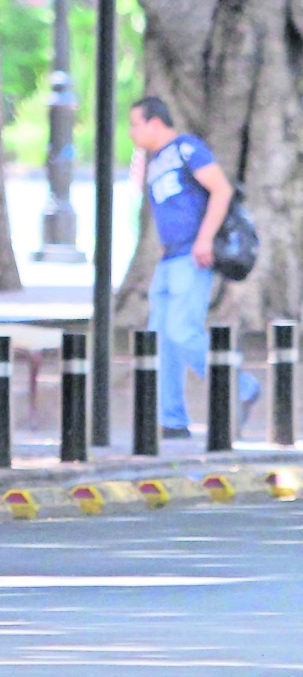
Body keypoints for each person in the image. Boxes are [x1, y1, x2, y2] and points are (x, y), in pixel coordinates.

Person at [128, 95, 260, 439]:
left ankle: (242, 386)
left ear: (155, 122)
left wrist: (205, 238)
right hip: (169, 259)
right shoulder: (154, 161)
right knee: (160, 338)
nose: (131, 133)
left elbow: (221, 189)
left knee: (183, 331)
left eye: (135, 124)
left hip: (192, 256)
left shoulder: (187, 149)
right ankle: (171, 418)